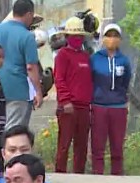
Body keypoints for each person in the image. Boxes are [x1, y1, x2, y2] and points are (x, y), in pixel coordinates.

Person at [0, 0, 43, 130]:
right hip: (18, 90)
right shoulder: (27, 36)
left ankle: (1, 150)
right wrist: (38, 92)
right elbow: (31, 67)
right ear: (28, 14)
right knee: (15, 130)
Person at [90, 23, 132, 176]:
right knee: (98, 144)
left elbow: (126, 80)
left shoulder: (124, 60)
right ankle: (97, 174)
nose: (112, 39)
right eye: (109, 35)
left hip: (118, 107)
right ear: (103, 38)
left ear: (120, 39)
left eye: (115, 36)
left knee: (117, 145)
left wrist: (121, 97)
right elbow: (91, 79)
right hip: (99, 105)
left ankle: (117, 175)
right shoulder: (95, 59)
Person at [53, 17, 94, 174]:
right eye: (73, 36)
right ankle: (60, 172)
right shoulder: (62, 55)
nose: (77, 39)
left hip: (84, 107)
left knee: (81, 144)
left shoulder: (85, 56)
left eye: (79, 36)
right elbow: (59, 79)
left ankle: (79, 173)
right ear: (67, 37)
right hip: (68, 107)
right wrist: (65, 101)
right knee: (64, 143)